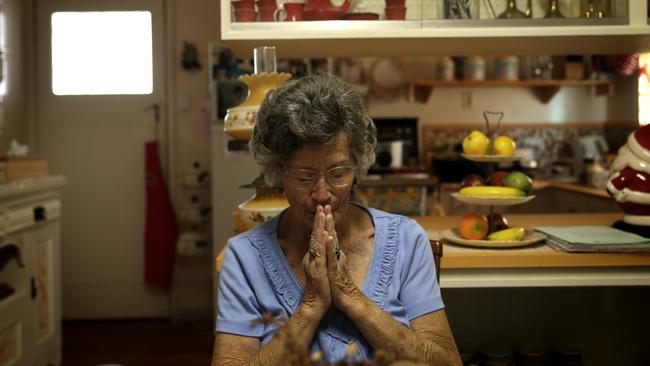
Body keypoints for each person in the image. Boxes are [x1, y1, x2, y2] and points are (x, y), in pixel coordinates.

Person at [212, 73, 461, 365]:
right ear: (279, 173)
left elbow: (447, 363)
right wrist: (311, 305)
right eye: (305, 177)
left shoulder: (407, 239)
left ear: (357, 167)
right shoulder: (244, 256)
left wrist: (350, 296)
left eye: (338, 174)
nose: (322, 194)